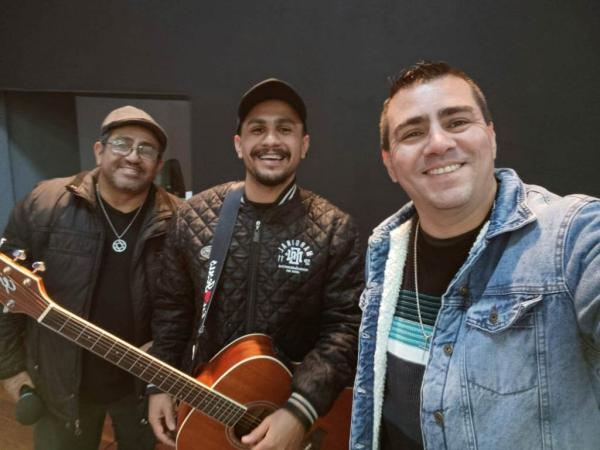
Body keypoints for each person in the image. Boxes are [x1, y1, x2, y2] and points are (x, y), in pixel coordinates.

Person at [350, 60, 600, 450]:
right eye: (413, 133)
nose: (438, 144)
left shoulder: (571, 234)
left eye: (457, 122)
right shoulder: (387, 250)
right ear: (390, 164)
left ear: (491, 137)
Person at [148, 78, 363, 449]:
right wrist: (159, 383)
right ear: (239, 144)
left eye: (285, 129)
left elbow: (346, 328)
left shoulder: (334, 228)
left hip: (289, 416)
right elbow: (172, 310)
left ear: (304, 144)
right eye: (257, 129)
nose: (271, 140)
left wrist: (299, 410)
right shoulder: (193, 216)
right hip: (208, 409)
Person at [0, 105, 181, 450]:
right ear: (99, 151)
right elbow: (6, 292)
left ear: (158, 164)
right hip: (61, 385)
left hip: (142, 388)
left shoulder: (181, 220)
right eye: (122, 144)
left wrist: (172, 358)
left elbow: (191, 307)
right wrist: (9, 369)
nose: (133, 156)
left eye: (146, 149)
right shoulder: (44, 204)